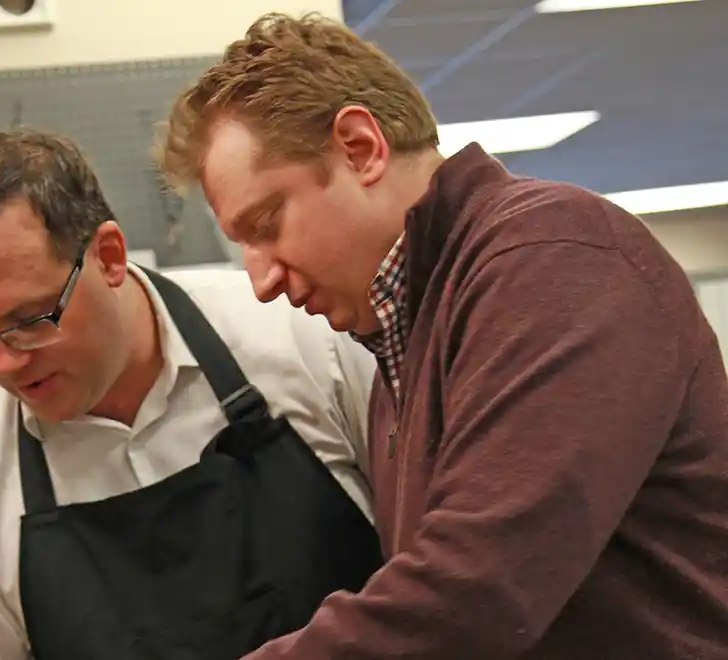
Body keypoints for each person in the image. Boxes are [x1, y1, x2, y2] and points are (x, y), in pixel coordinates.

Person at [155, 12, 728, 660]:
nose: (262, 281)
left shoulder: (554, 258)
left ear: (360, 147)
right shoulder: (410, 337)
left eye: (267, 222)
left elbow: (477, 588)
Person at [0, 130, 385, 660]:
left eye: (29, 319)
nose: (6, 362)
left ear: (108, 256)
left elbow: (449, 564)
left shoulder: (303, 339)